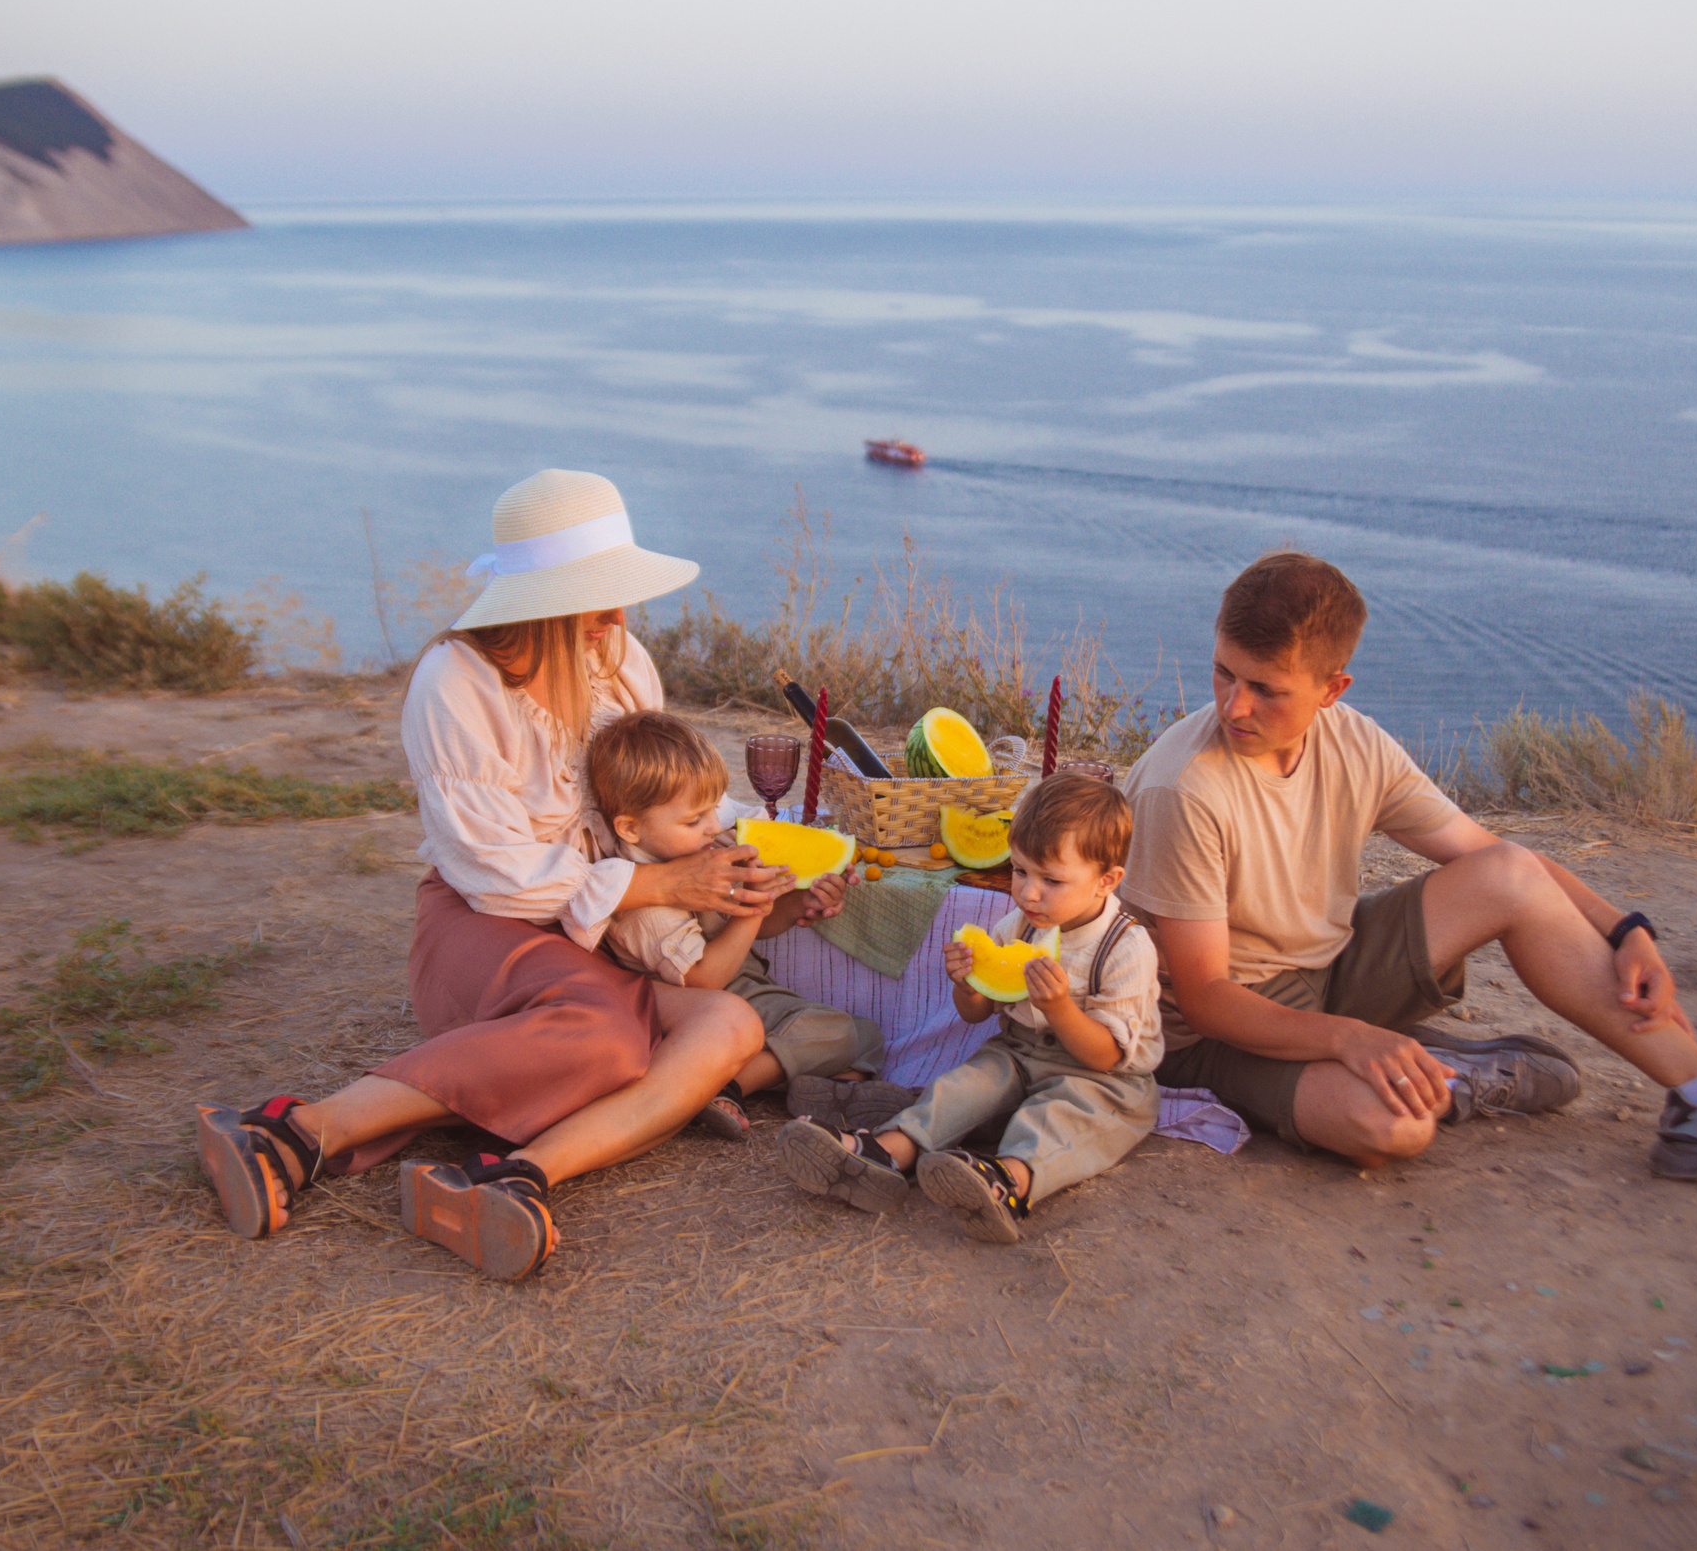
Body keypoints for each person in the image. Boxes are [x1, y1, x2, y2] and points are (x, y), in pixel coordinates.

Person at [1125, 550, 1697, 1181]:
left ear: (1332, 689)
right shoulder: (1184, 789)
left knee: (1512, 876)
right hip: (1212, 1037)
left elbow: (1496, 859)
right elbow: (1209, 999)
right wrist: (1350, 1039)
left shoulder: (1353, 741)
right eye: (1224, 673)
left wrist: (1626, 930)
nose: (1234, 706)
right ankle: (1443, 1076)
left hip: (1328, 971)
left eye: (1265, 689)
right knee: (1391, 1129)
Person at [193, 469, 778, 1280]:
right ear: (538, 602)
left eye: (617, 594)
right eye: (596, 597)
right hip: (484, 926)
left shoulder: (621, 663)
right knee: (608, 1036)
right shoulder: (455, 681)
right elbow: (493, 874)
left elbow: (661, 805)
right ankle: (295, 1130)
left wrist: (756, 853)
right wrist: (668, 888)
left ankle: (510, 1178)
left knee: (730, 1025)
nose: (617, 617)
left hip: (599, 938)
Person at [777, 774, 1162, 1243]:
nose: (1029, 893)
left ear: (1107, 881)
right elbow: (976, 1014)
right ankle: (881, 1153)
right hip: (1019, 1052)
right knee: (967, 1084)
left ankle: (1005, 1182)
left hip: (1105, 1080)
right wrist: (968, 985)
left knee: (1063, 1115)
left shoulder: (1126, 947)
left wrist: (1060, 1008)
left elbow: (1105, 1057)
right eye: (1020, 871)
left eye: (1051, 880)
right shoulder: (1020, 926)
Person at [586, 710, 885, 1135]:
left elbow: (748, 928)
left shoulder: (698, 853)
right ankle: (725, 1086)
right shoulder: (641, 903)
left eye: (715, 809)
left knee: (867, 1034)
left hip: (746, 988)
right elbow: (706, 978)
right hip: (708, 1011)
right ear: (630, 828)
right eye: (694, 820)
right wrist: (756, 905)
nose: (714, 827)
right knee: (836, 1032)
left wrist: (801, 900)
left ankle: (820, 1086)